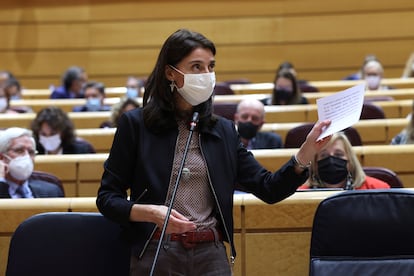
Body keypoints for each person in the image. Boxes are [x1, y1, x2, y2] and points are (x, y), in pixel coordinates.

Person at [96, 28, 331, 275]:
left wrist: (305, 152)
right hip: (157, 250)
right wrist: (152, 212)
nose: (206, 75)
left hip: (211, 253)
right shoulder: (136, 125)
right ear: (170, 73)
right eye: (196, 67)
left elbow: (269, 188)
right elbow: (108, 198)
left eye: (210, 66)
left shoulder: (224, 130)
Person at [298, 132, 390, 190]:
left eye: (338, 154)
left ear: (350, 161)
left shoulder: (377, 189)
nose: (331, 160)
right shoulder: (302, 195)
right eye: (324, 155)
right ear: (315, 164)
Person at [0, 127, 64, 198]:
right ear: (1, 157)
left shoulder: (52, 192)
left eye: (31, 152)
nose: (27, 157)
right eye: (19, 150)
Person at [30, 107, 96, 155]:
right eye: (43, 134)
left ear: (63, 132)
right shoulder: (31, 150)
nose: (48, 138)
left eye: (53, 134)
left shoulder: (83, 150)